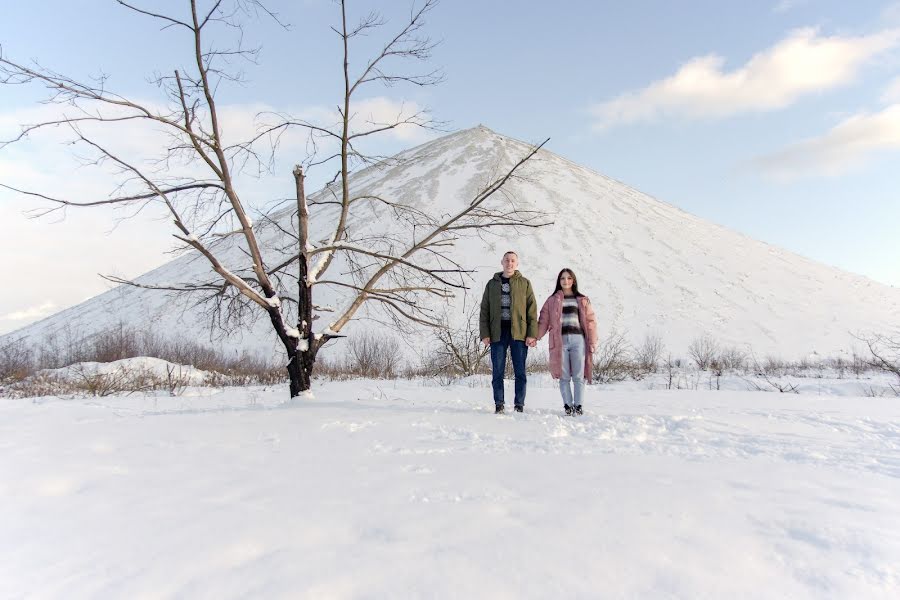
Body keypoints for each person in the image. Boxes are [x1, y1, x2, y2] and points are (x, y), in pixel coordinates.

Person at [480, 251, 538, 414]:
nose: (509, 263)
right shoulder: (492, 284)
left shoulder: (525, 283)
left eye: (513, 260)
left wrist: (532, 334)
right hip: (497, 333)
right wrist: (485, 333)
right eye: (507, 260)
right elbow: (484, 310)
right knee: (498, 371)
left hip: (519, 333)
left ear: (517, 264)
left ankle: (519, 404)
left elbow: (532, 310)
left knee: (520, 371)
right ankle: (499, 404)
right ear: (502, 262)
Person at [537, 268, 598, 415]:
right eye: (563, 278)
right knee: (563, 376)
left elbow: (591, 322)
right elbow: (543, 320)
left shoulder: (582, 300)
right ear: (559, 281)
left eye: (569, 278)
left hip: (579, 341)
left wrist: (593, 342)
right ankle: (568, 406)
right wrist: (535, 336)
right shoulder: (552, 300)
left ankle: (578, 406)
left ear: (573, 280)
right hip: (560, 341)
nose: (566, 281)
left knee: (578, 376)